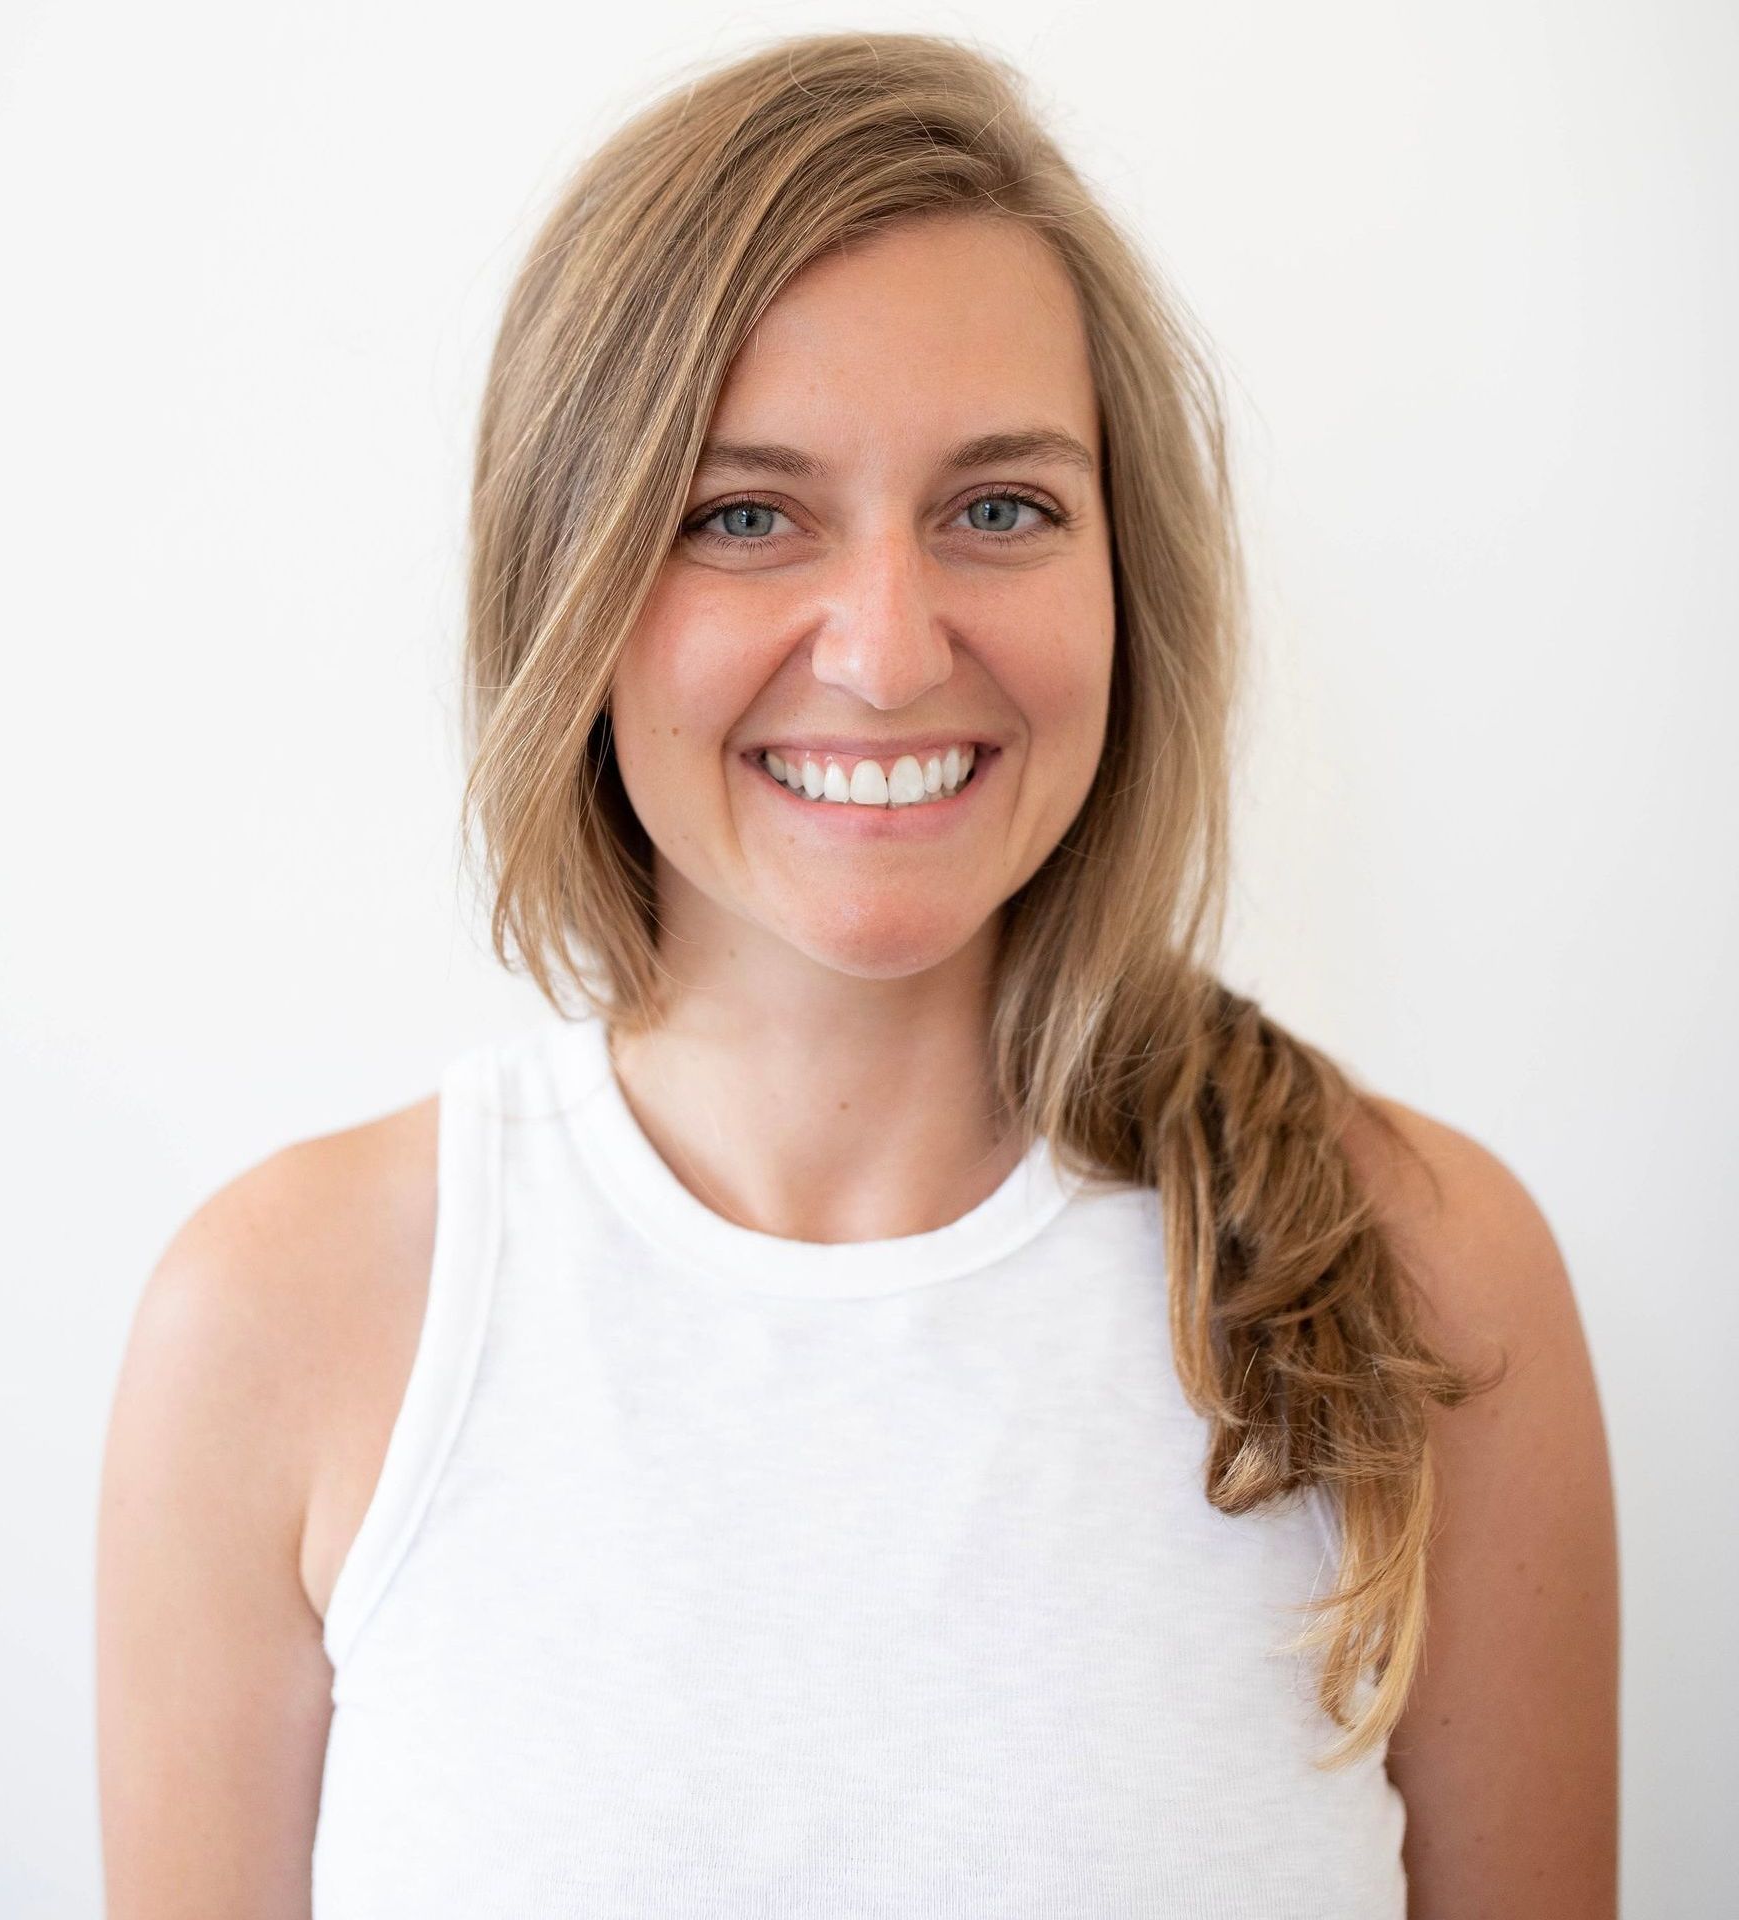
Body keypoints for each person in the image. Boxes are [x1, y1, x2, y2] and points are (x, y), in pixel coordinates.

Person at [95, 30, 1618, 1918]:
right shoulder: (279, 1325)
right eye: (744, 515)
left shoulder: (1430, 1275)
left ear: (1127, 580)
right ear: (565, 586)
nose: (891, 654)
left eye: (1001, 508)